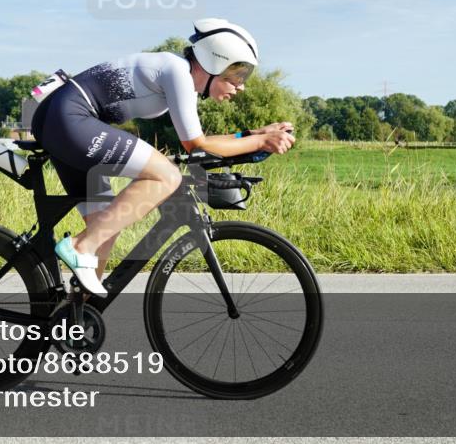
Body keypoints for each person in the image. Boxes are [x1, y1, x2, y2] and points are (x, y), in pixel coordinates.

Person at [30, 18, 296, 296]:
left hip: (62, 121)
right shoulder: (177, 71)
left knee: (107, 227)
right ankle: (78, 247)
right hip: (69, 118)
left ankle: (74, 318)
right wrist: (261, 140)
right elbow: (196, 146)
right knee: (166, 175)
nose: (240, 86)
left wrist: (255, 134)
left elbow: (201, 143)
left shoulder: (179, 77)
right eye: (236, 75)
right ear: (214, 62)